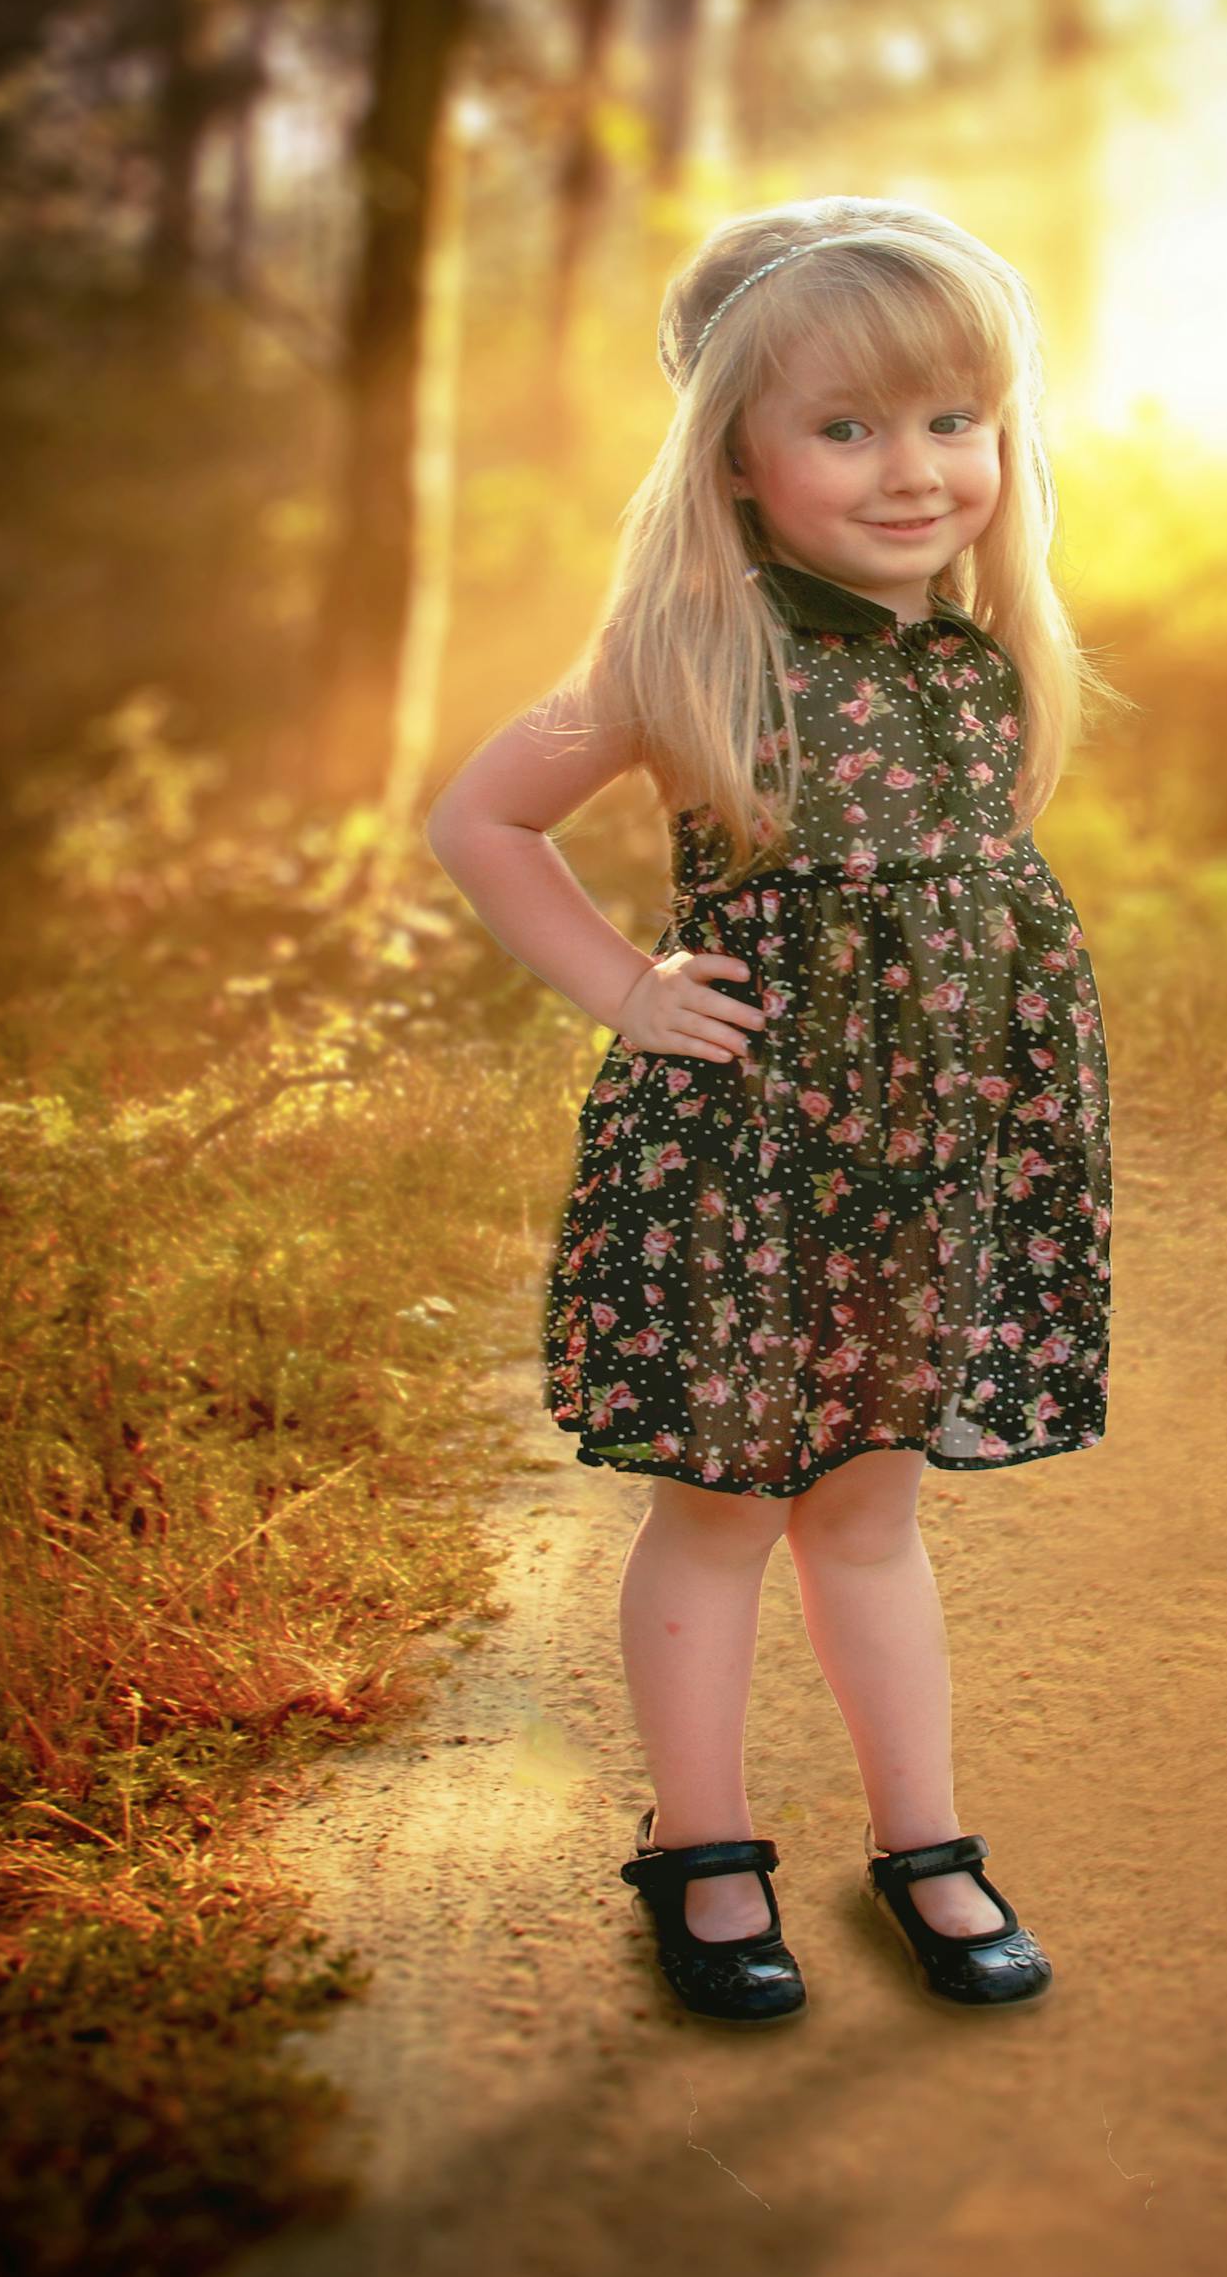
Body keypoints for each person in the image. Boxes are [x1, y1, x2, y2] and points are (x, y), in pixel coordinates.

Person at [426, 196, 1125, 2028]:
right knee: (729, 1508)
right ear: (735, 457)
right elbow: (482, 818)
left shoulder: (982, 650)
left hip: (927, 1156)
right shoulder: (698, 648)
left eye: (954, 421)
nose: (916, 471)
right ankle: (707, 1843)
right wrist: (629, 993)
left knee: (875, 1504)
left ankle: (925, 1839)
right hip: (752, 1151)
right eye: (848, 427)